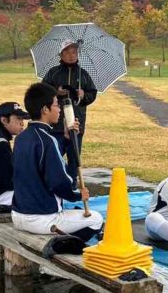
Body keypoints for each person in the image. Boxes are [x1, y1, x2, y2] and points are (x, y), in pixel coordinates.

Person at [11, 82, 103, 241]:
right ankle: (61, 245)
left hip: (18, 215)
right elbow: (59, 182)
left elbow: (45, 158)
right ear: (45, 110)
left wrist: (67, 138)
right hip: (42, 219)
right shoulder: (48, 140)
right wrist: (77, 195)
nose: (59, 109)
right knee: (96, 219)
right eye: (56, 105)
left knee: (76, 213)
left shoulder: (21, 138)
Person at [42, 40, 97, 184]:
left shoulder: (83, 74)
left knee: (74, 161)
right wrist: (56, 92)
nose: (71, 55)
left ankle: (72, 187)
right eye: (67, 52)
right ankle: (53, 186)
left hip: (76, 125)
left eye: (74, 52)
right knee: (53, 159)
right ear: (61, 55)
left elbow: (92, 93)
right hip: (56, 126)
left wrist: (83, 95)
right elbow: (42, 92)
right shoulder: (53, 73)